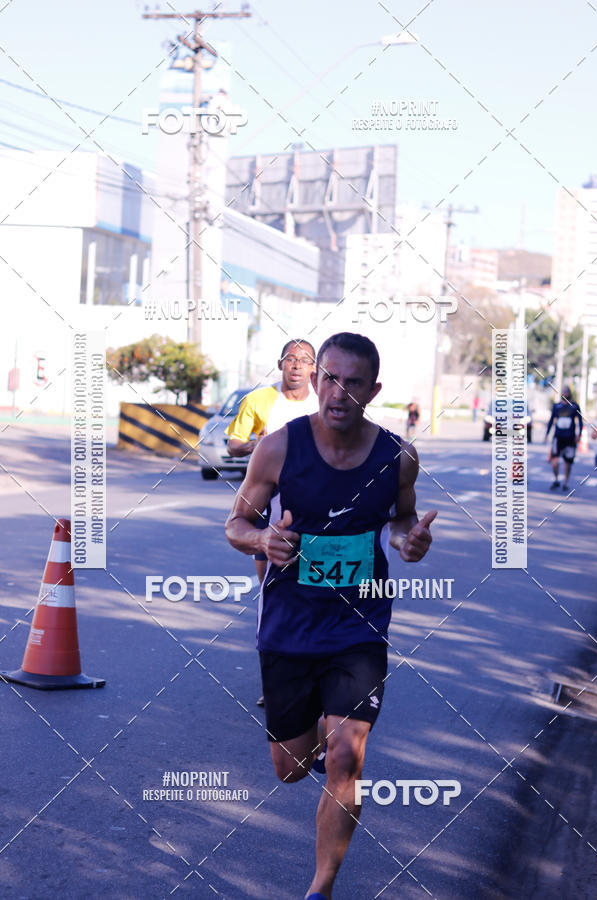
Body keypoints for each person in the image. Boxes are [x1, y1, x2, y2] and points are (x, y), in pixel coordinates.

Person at [225, 332, 437, 900]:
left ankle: (321, 889)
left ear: (374, 390)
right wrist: (262, 540)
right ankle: (315, 736)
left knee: (346, 752)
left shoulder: (398, 456)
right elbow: (235, 526)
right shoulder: (278, 447)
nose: (337, 392)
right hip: (290, 626)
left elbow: (400, 521)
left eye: (353, 382)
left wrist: (407, 540)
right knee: (291, 768)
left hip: (358, 626)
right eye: (329, 377)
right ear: (315, 379)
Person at [226, 338, 318, 707]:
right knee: (271, 590)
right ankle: (275, 679)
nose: (296, 365)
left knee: (316, 589)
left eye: (305, 360)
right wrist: (257, 445)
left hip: (316, 504)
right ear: (280, 364)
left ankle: (317, 673)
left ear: (315, 368)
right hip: (268, 499)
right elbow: (233, 443)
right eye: (290, 359)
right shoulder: (260, 400)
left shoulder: (323, 401)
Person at [544, 385, 583, 492]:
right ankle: (556, 479)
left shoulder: (574, 406)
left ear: (570, 393)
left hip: (570, 438)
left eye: (567, 392)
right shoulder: (556, 406)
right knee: (555, 461)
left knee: (568, 462)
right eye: (564, 392)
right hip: (558, 437)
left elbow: (580, 422)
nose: (565, 394)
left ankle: (566, 481)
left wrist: (579, 436)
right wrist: (546, 435)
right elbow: (551, 421)